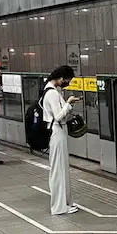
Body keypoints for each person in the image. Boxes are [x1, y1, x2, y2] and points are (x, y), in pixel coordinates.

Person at [43, 65, 80, 215]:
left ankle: (65, 202)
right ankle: (59, 207)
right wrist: (69, 103)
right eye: (67, 80)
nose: (67, 83)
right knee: (58, 170)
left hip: (58, 131)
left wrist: (68, 103)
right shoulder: (51, 93)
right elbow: (58, 116)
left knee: (61, 168)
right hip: (56, 132)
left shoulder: (52, 90)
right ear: (60, 78)